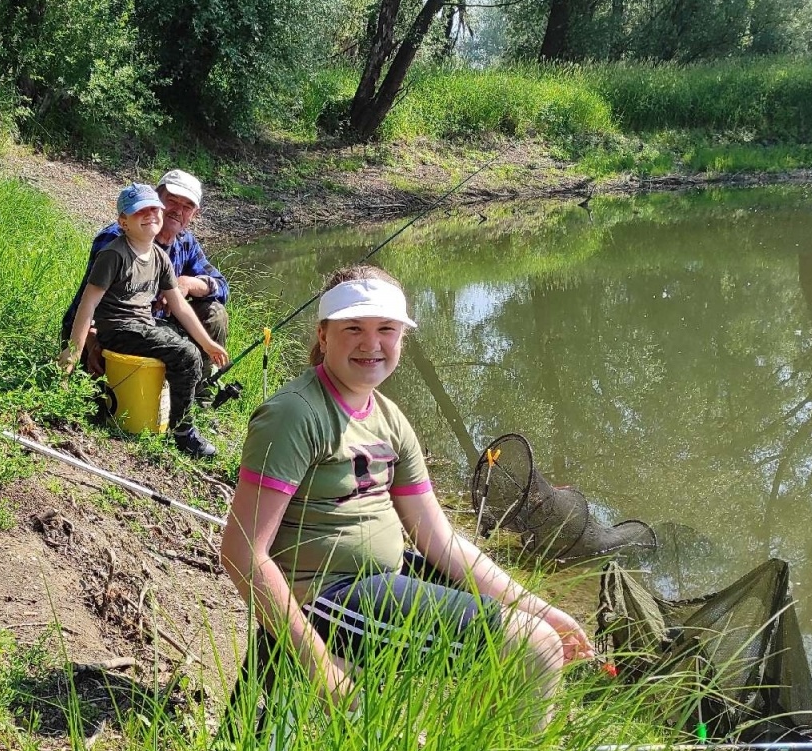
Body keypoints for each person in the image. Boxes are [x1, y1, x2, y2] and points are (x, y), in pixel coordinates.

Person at [219, 265, 594, 717]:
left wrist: (540, 607)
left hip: (379, 581)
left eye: (386, 329)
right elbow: (242, 551)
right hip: (326, 595)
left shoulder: (390, 418)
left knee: (537, 631)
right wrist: (325, 672)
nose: (370, 343)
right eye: (353, 328)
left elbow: (441, 539)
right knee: (534, 648)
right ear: (323, 334)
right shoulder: (294, 415)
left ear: (402, 338)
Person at [60, 184, 229, 458]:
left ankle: (178, 408)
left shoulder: (161, 256)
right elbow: (86, 304)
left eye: (154, 209)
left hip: (143, 325)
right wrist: (73, 353)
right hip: (117, 328)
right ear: (123, 222)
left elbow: (181, 308)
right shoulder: (113, 252)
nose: (150, 214)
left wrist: (209, 344)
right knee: (185, 355)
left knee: (189, 346)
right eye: (141, 210)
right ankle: (183, 431)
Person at [87, 169, 228, 400]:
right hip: (114, 329)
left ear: (194, 213)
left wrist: (189, 283)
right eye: (171, 200)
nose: (177, 211)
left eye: (187, 206)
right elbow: (87, 300)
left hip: (156, 327)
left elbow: (222, 287)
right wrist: (91, 340)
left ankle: (198, 395)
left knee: (215, 312)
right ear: (156, 198)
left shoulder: (186, 243)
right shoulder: (115, 240)